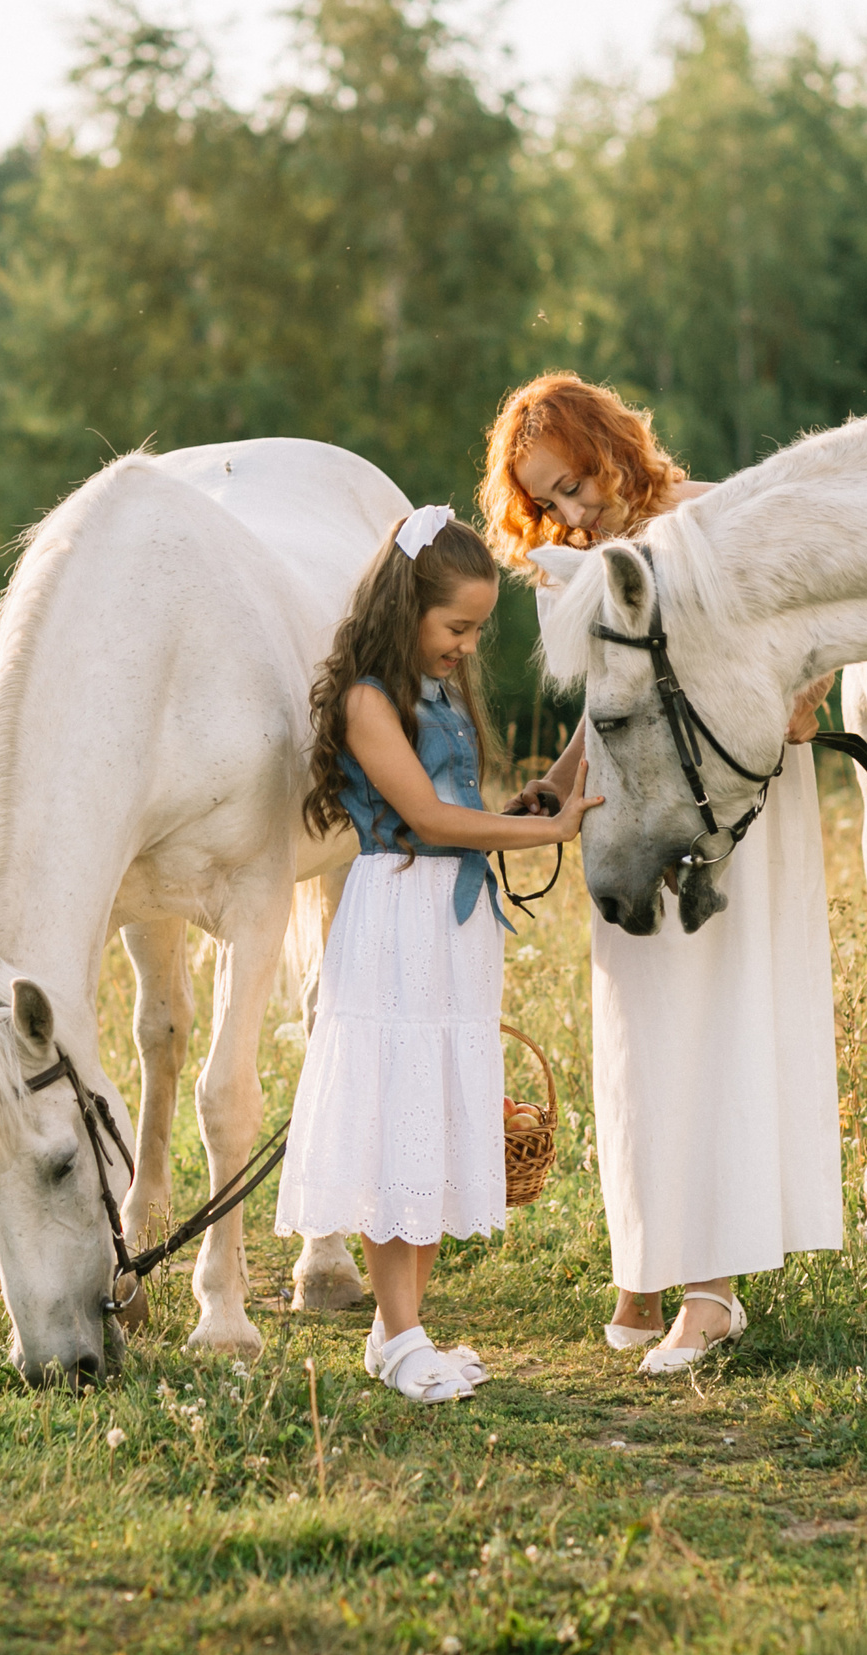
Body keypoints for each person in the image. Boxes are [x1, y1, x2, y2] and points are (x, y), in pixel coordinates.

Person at [478, 373, 842, 1375]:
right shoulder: (587, 564)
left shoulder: (713, 518)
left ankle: (712, 1288)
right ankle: (645, 1260)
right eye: (547, 496)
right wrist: (553, 790)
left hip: (728, 815)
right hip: (629, 819)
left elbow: (811, 644)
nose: (571, 508)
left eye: (576, 480)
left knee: (713, 1021)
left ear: (611, 444)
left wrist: (796, 698)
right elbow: (611, 706)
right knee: (637, 1031)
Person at [274, 505, 601, 1404]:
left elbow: (464, 810)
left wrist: (528, 804)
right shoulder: (367, 700)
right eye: (455, 626)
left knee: (435, 1112)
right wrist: (538, 835)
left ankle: (397, 1330)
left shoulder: (436, 692)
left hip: (451, 922)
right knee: (398, 1110)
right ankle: (403, 1329)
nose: (466, 645)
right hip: (397, 912)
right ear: (404, 608)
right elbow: (427, 818)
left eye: (476, 630)